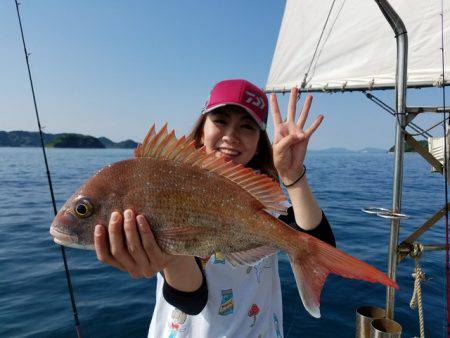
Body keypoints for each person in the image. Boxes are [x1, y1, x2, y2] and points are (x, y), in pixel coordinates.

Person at [94, 79, 336, 337]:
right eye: (220, 121)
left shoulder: (264, 201)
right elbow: (191, 300)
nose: (231, 136)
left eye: (247, 126)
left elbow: (321, 249)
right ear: (201, 129)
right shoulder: (165, 183)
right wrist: (169, 255)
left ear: (258, 141)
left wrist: (293, 176)